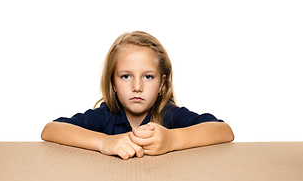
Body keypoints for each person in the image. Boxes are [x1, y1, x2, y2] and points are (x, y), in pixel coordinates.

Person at [41, 31, 234, 160]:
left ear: (162, 83)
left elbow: (224, 131)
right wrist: (104, 142)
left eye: (148, 77)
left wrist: (173, 140)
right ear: (113, 84)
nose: (137, 86)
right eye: (126, 76)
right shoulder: (106, 115)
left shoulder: (168, 114)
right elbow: (50, 130)